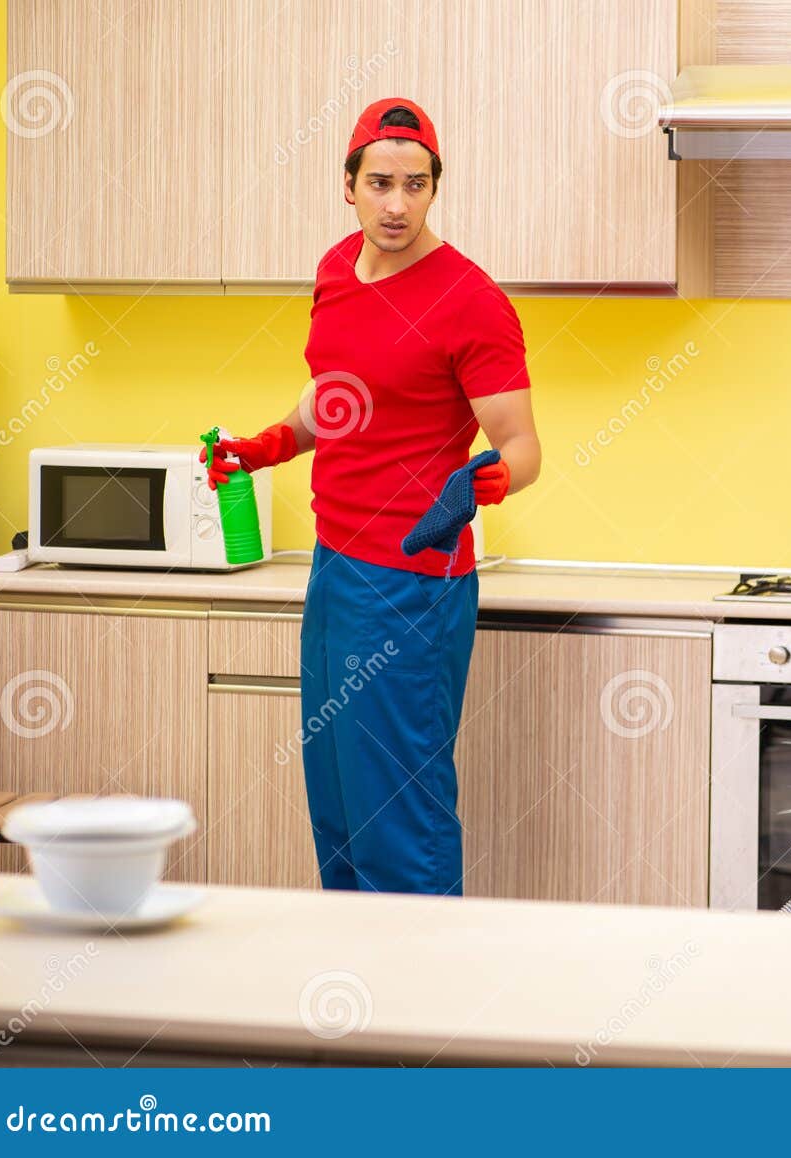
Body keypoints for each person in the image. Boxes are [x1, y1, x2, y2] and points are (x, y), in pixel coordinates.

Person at [202, 97, 541, 896]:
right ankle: (357, 997)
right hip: (334, 569)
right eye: (381, 183)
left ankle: (420, 1012)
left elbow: (522, 446)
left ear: (434, 189)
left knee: (400, 819)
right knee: (338, 808)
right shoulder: (334, 271)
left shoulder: (470, 299)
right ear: (347, 185)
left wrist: (492, 477)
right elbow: (338, 398)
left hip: (413, 584)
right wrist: (268, 446)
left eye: (416, 185)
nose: (397, 204)